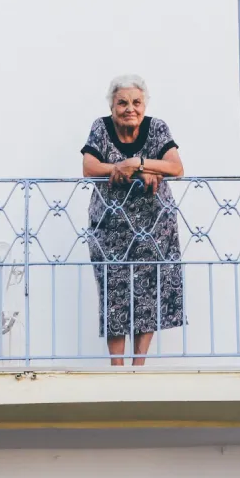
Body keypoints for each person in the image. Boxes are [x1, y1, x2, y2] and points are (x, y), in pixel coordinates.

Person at [81, 74, 184, 366]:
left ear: (145, 104)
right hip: (110, 226)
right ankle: (117, 366)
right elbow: (89, 167)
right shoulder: (101, 128)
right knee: (114, 290)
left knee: (150, 289)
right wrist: (125, 168)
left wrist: (136, 163)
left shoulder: (157, 128)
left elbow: (176, 167)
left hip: (155, 227)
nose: (130, 108)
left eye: (136, 102)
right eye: (122, 102)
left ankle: (139, 365)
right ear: (112, 106)